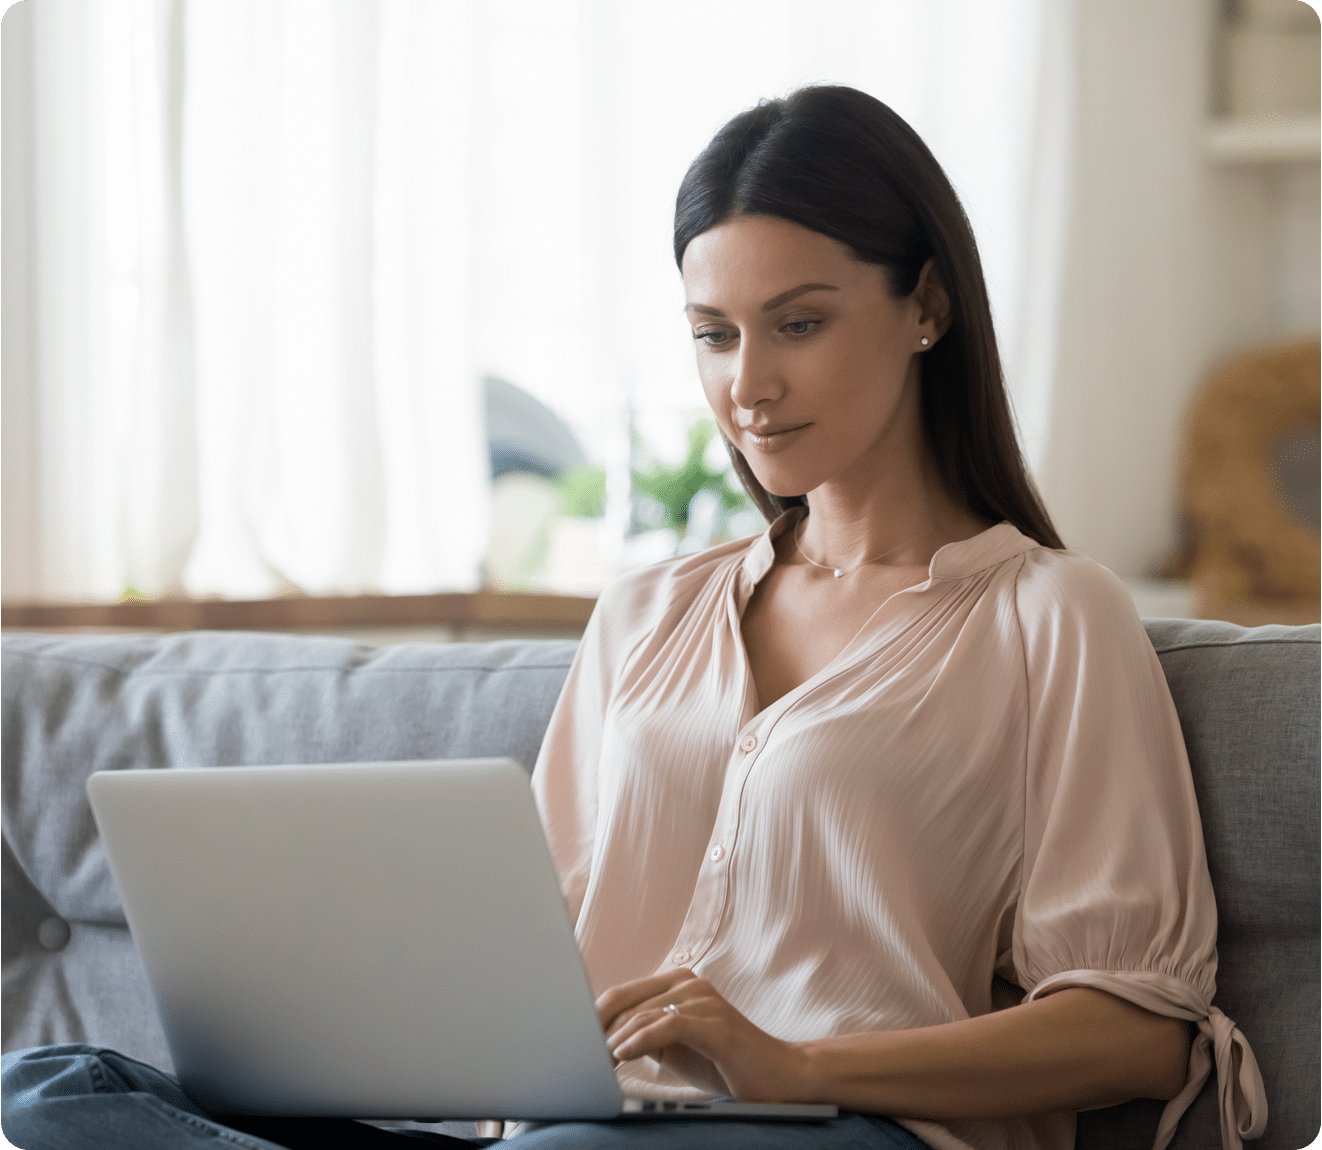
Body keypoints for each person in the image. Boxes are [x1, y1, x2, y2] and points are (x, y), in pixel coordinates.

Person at [2, 85, 1266, 1150]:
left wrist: (796, 1062)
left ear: (926, 306)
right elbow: (526, 953)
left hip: (826, 1132)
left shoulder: (1051, 617)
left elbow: (1138, 1031)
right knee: (45, 1099)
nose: (746, 386)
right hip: (575, 1130)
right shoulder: (647, 614)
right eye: (711, 335)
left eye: (800, 324)